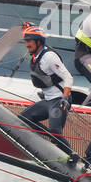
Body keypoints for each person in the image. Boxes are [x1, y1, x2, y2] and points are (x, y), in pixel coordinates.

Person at [19, 23, 75, 155]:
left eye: (29, 41)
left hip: (59, 100)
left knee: (55, 131)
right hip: (48, 100)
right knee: (24, 118)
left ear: (38, 42)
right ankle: (49, 142)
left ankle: (71, 155)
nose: (27, 45)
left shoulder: (49, 57)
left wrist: (65, 98)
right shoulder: (35, 55)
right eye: (25, 41)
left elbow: (68, 78)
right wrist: (29, 27)